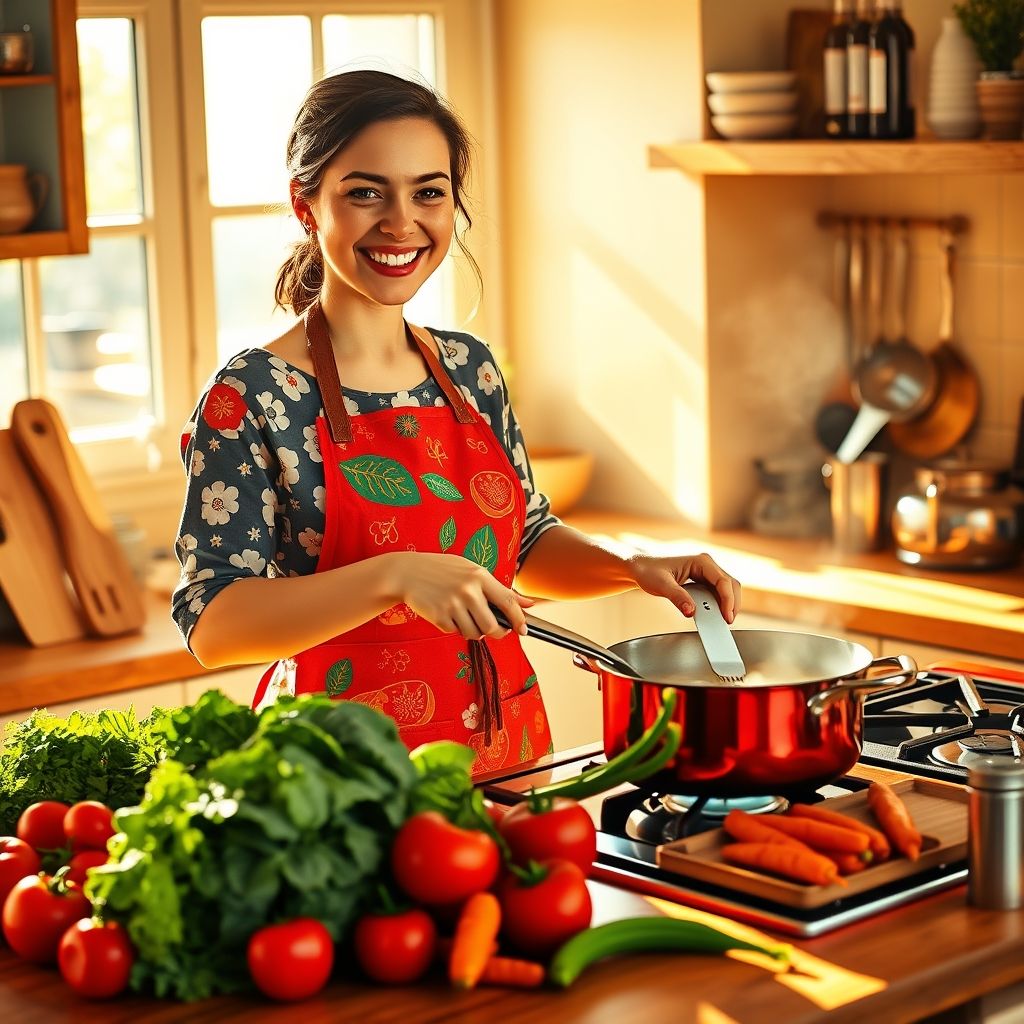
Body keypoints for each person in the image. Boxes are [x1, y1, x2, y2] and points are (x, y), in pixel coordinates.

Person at [172, 69, 740, 774]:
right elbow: (214, 622)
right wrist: (396, 575)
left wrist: (633, 568)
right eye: (365, 192)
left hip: (508, 756)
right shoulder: (251, 395)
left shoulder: (469, 370)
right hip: (337, 783)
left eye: (428, 192)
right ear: (306, 205)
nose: (401, 223)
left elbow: (523, 541)